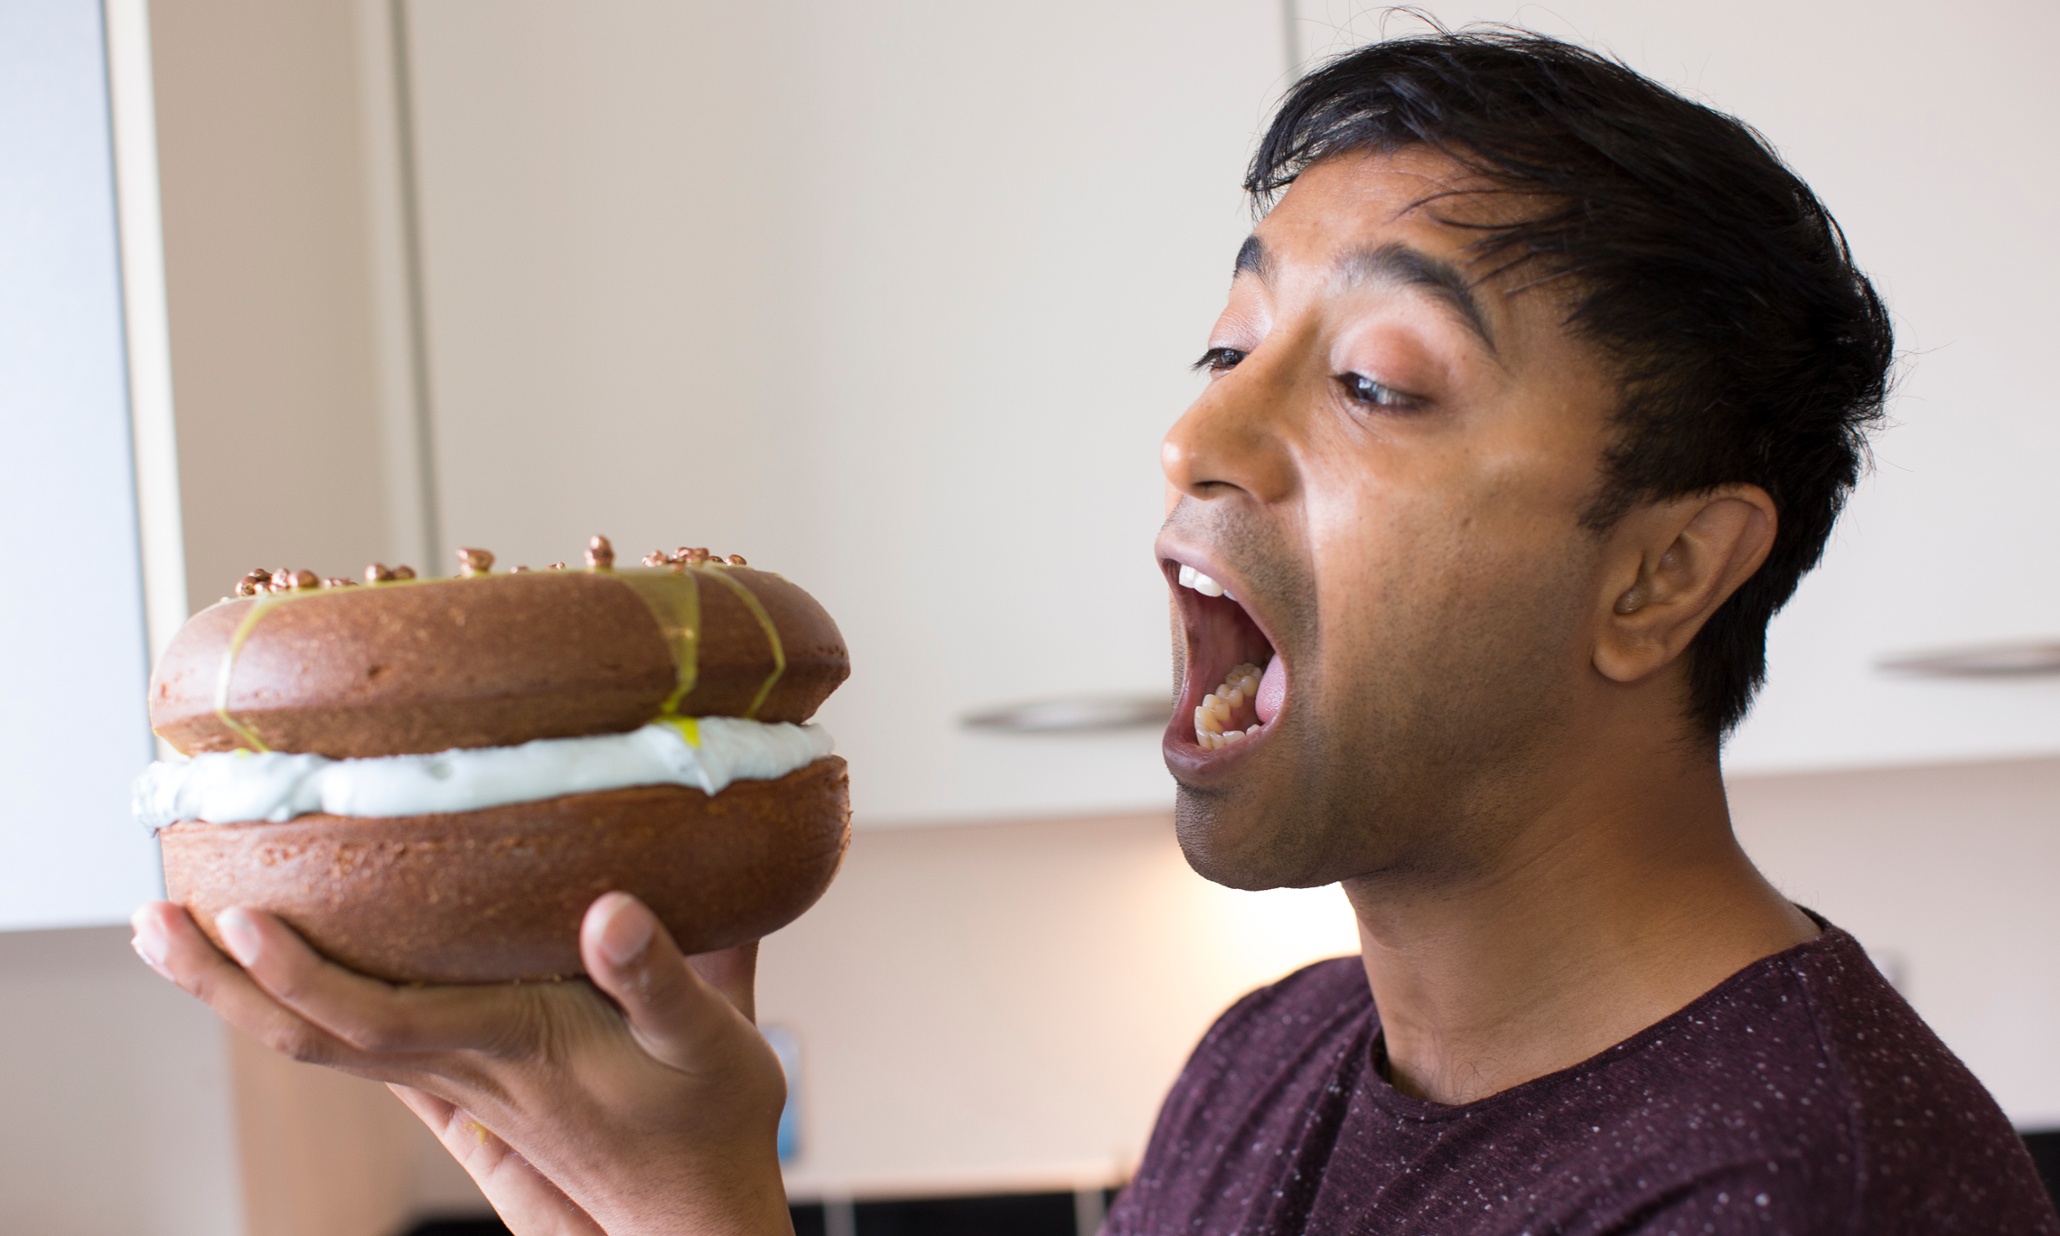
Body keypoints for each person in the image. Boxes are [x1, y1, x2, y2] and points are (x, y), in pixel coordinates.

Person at [129, 28, 2058, 1236]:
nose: (1198, 427)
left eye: (1378, 383)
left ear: (1660, 577)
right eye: (1229, 344)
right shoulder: (1271, 1069)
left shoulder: (1803, 1188)